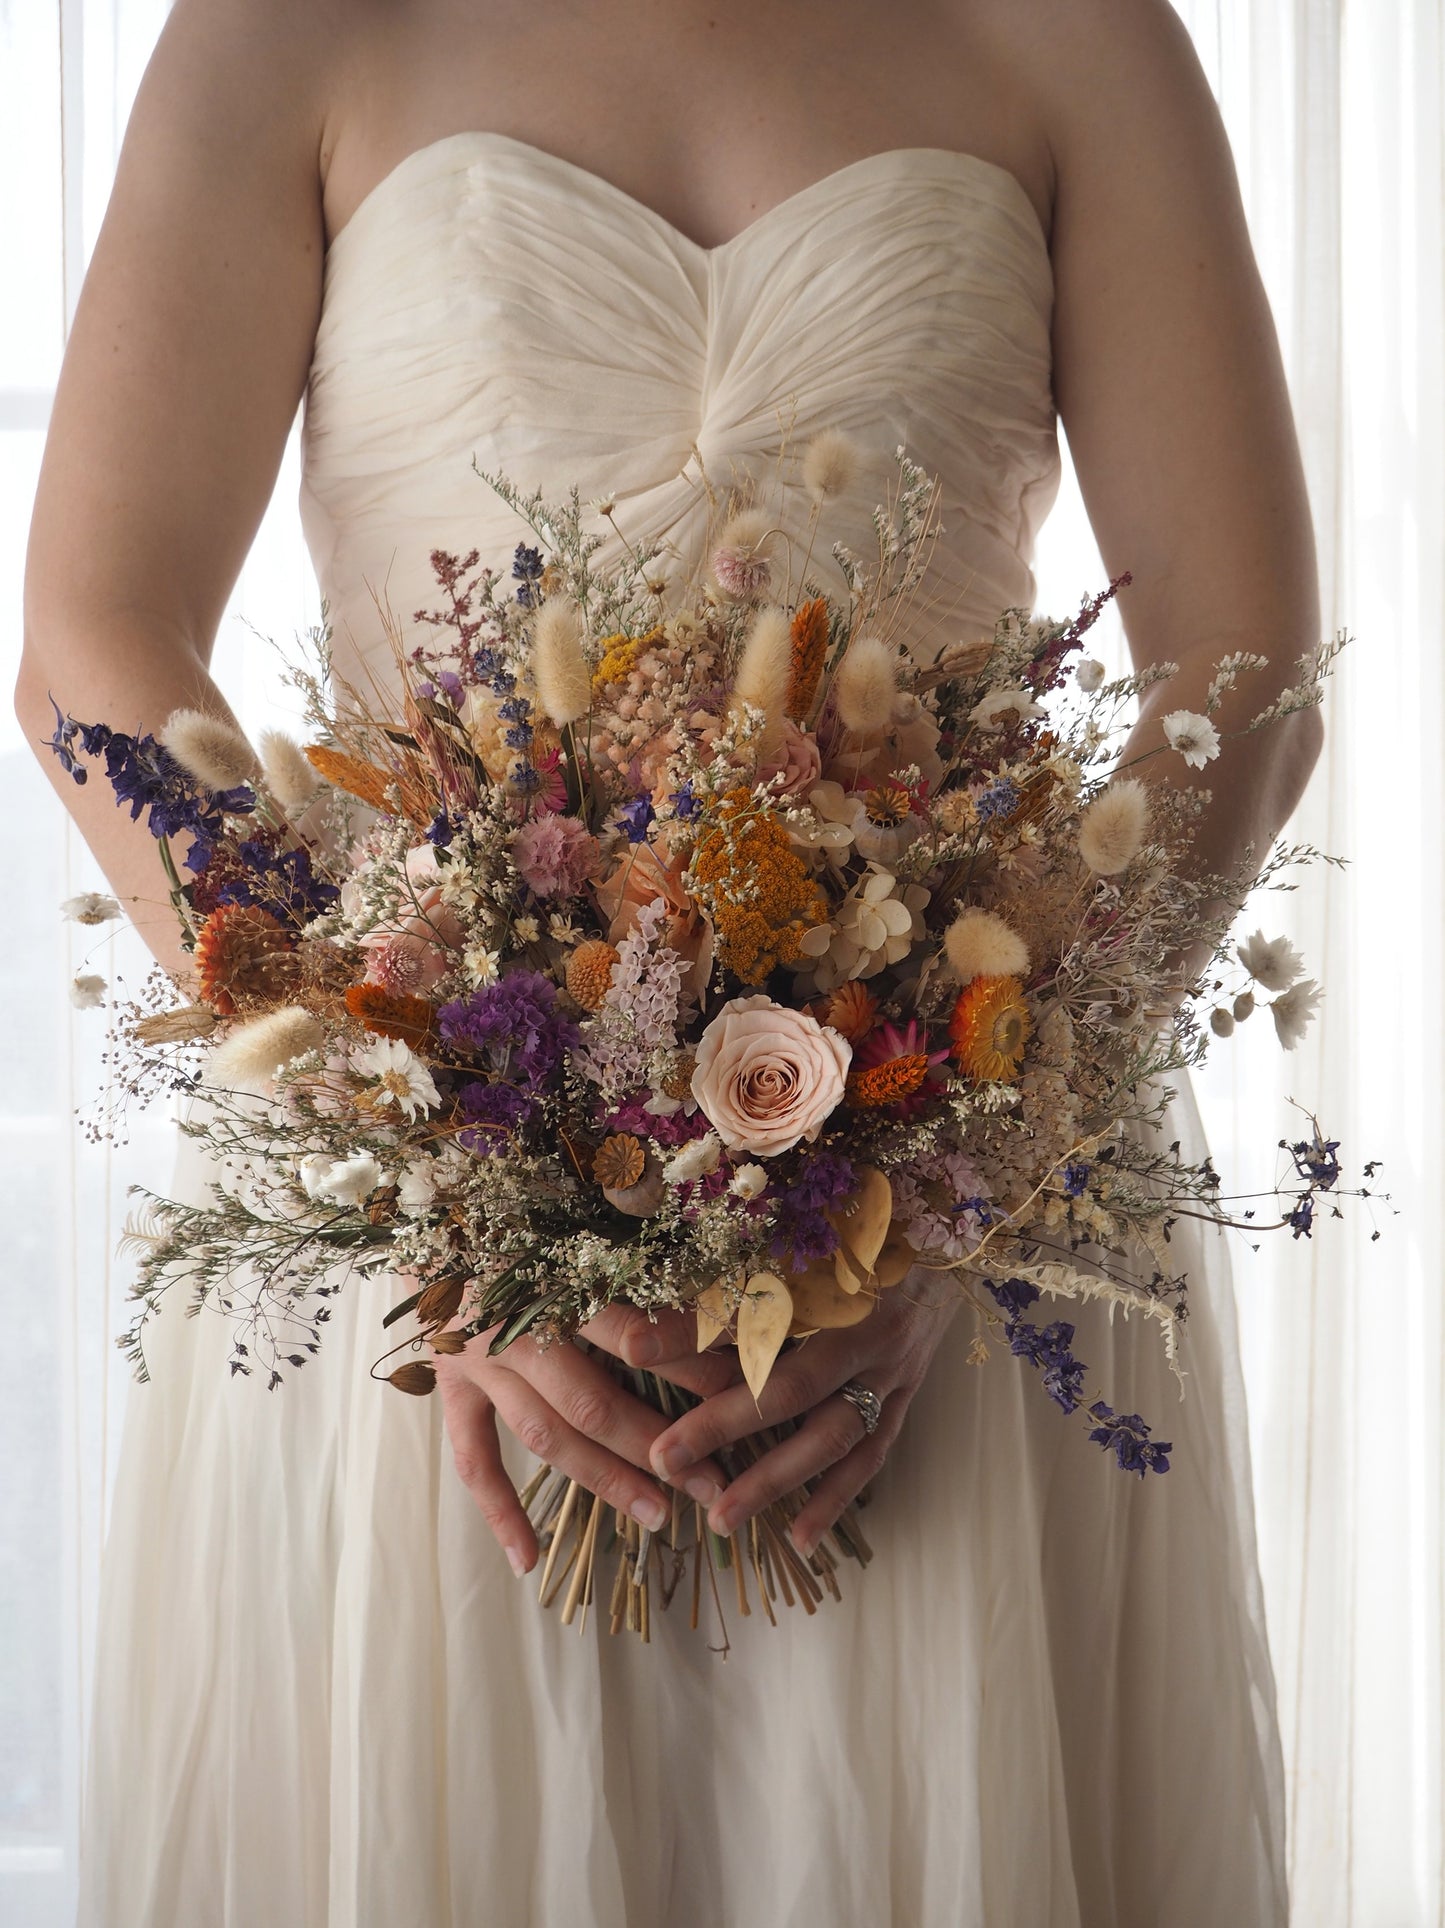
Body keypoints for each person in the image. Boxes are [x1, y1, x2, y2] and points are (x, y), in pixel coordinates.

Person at [17, 0, 1321, 1920]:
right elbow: (91, 646)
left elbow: (1243, 684)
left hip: (952, 1259)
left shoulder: (1078, 36)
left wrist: (962, 1189)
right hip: (425, 1243)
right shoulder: (285, 32)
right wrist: (427, 1180)